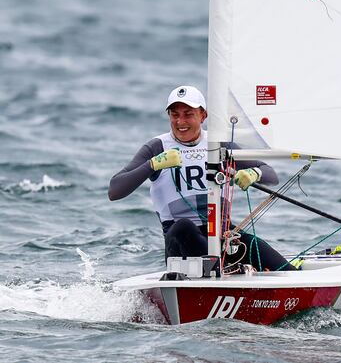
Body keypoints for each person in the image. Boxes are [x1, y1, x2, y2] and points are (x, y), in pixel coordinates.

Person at [108, 85, 295, 271]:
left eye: (188, 114)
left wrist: (255, 173)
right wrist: (153, 165)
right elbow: (114, 191)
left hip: (222, 236)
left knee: (261, 251)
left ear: (203, 116)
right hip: (180, 240)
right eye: (174, 114)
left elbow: (271, 174)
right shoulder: (158, 147)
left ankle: (234, 270)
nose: (180, 121)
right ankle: (223, 270)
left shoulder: (219, 144)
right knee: (184, 226)